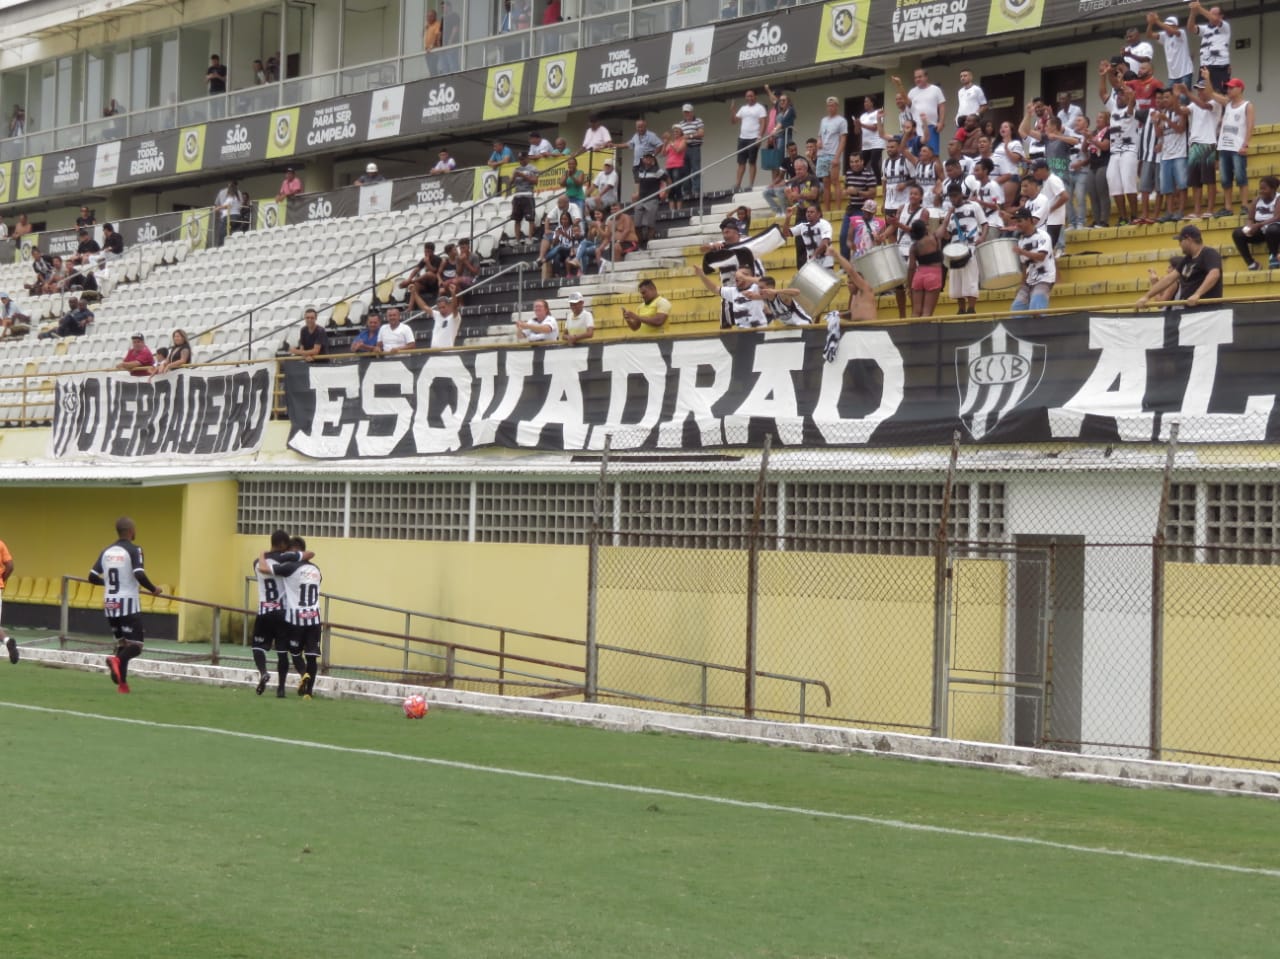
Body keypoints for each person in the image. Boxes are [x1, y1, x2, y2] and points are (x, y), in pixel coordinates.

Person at [88, 517, 162, 694]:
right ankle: (116, 661)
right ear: (131, 531)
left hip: (110, 604)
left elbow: (91, 577)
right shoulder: (135, 550)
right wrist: (154, 589)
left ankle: (123, 685)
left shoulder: (105, 551)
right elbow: (139, 573)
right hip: (127, 603)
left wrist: (107, 583)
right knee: (136, 646)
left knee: (123, 644)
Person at [257, 536, 322, 698]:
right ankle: (309, 692)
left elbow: (264, 569)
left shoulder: (289, 568)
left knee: (293, 653)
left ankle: (301, 675)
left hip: (296, 619)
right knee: (312, 656)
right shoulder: (316, 569)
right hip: (315, 619)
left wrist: (261, 554)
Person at [250, 529, 306, 696]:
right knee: (282, 652)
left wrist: (262, 554)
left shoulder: (257, 563)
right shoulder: (285, 564)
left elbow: (262, 566)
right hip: (283, 612)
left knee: (258, 647)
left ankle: (263, 672)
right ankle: (281, 689)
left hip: (264, 612)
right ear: (282, 544)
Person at [1203, 73, 1254, 217]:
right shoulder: (1227, 103)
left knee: (1240, 176)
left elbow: (1250, 125)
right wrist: (1207, 78)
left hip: (1237, 147)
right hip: (1224, 146)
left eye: (1231, 88)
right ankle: (1228, 207)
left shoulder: (1247, 105)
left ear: (1239, 89)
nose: (1228, 90)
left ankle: (1244, 205)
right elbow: (1210, 93)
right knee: (1225, 178)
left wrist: (1245, 144)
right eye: (1228, 88)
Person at [1138, 223, 1222, 307]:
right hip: (1189, 311)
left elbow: (1214, 274)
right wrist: (1147, 296)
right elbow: (1169, 279)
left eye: (1180, 241)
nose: (1179, 245)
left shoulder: (1209, 253)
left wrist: (1197, 294)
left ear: (1188, 239)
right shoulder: (1187, 259)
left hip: (1208, 311)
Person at [941, 182, 987, 315]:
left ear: (961, 194)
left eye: (955, 196)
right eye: (951, 197)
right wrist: (947, 216)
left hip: (970, 246)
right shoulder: (949, 212)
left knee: (971, 278)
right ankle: (961, 309)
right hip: (954, 249)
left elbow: (984, 224)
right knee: (956, 281)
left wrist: (982, 237)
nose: (953, 199)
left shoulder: (974, 206)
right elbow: (946, 234)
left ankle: (971, 308)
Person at [1182, 80, 1220, 219]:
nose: (1199, 92)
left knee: (1209, 179)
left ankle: (1210, 209)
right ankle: (1197, 211)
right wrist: (1174, 99)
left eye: (1202, 89)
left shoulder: (1215, 103)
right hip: (1194, 144)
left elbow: (1204, 106)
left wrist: (1187, 93)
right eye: (1198, 89)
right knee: (1195, 181)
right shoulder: (1193, 104)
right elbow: (1183, 110)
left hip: (1208, 144)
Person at [1008, 207, 1057, 314]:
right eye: (1016, 221)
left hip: (1045, 278)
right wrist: (1022, 284)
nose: (1017, 224)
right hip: (1029, 280)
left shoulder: (1043, 235)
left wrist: (1022, 252)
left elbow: (1041, 256)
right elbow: (1024, 266)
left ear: (1029, 220)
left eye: (1020, 221)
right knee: (1016, 309)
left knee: (1036, 309)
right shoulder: (1021, 241)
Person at [1231, 175, 1280, 271]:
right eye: (1260, 189)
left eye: (1264, 189)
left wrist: (1258, 225)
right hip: (1260, 230)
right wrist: (1249, 226)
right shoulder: (1257, 200)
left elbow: (1277, 218)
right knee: (1237, 233)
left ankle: (1273, 257)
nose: (1261, 191)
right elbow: (1250, 218)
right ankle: (1251, 264)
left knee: (1272, 229)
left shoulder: (1278, 198)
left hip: (1275, 230)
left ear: (1273, 189)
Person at [695, 266, 767, 329]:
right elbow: (714, 289)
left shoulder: (757, 288)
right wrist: (702, 276)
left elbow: (767, 282)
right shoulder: (733, 291)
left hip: (760, 330)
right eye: (737, 275)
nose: (738, 276)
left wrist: (746, 278)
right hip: (743, 333)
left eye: (742, 274)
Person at [894, 69, 946, 153]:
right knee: (918, 154)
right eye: (915, 78)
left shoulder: (935, 89)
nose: (917, 79)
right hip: (916, 128)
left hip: (931, 126)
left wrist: (941, 122)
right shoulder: (912, 92)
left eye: (920, 77)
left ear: (926, 77)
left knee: (932, 153)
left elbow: (942, 106)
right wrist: (899, 85)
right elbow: (907, 102)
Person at [1187, 2, 1231, 93]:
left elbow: (1215, 20)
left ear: (1221, 16)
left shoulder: (1225, 26)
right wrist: (1193, 12)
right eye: (1210, 13)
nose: (1210, 16)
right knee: (1202, 92)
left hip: (1219, 66)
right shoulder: (1205, 29)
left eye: (1214, 14)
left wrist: (1199, 8)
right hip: (1205, 66)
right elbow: (1191, 28)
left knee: (1219, 92)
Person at [730, 89, 769, 191]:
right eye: (748, 96)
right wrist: (733, 110)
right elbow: (734, 121)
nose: (749, 98)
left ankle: (750, 184)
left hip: (754, 138)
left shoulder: (760, 108)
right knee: (741, 162)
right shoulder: (743, 108)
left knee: (752, 162)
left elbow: (763, 122)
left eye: (751, 96)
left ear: (755, 96)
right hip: (742, 138)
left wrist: (759, 136)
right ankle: (737, 185)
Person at [905, 219, 943, 318]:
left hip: (918, 276)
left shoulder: (913, 247)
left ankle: (914, 333)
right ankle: (925, 333)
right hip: (933, 275)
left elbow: (911, 268)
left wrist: (909, 287)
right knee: (927, 313)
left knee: (915, 312)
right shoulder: (933, 239)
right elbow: (944, 225)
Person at [816, 96, 848, 213]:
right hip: (822, 154)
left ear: (837, 106)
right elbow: (820, 135)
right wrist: (819, 141)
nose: (830, 107)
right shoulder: (823, 120)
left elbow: (843, 139)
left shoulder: (841, 121)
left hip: (833, 153)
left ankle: (838, 208)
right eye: (829, 105)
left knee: (835, 181)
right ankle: (827, 209)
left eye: (833, 105)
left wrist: (837, 156)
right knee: (825, 183)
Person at [1147, 14, 1194, 88]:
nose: (1166, 28)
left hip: (1185, 73)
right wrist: (1150, 23)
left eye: (1169, 26)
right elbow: (1149, 35)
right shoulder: (1164, 36)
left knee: (1183, 98)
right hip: (1172, 76)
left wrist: (1157, 21)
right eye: (1166, 26)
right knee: (1172, 98)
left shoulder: (1181, 33)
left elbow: (1172, 31)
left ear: (1176, 26)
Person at [400, 241, 441, 313]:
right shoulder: (423, 259)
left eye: (428, 251)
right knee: (415, 286)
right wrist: (409, 279)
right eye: (425, 251)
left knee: (429, 274)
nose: (426, 253)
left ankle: (412, 281)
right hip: (426, 284)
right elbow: (416, 269)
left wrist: (427, 262)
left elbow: (434, 270)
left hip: (435, 282)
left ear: (432, 251)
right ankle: (410, 307)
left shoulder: (437, 259)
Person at [789, 203, 833, 270]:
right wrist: (787, 217)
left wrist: (813, 256)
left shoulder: (824, 224)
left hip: (826, 262)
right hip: (812, 263)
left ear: (819, 214)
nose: (808, 214)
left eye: (812, 212)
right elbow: (786, 233)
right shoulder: (803, 226)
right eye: (807, 212)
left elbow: (825, 242)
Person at [509, 152, 539, 242]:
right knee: (517, 219)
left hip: (528, 195)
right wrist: (514, 176)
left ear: (527, 158)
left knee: (530, 218)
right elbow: (510, 184)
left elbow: (535, 181)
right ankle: (517, 240)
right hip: (517, 196)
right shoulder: (516, 169)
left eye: (522, 159)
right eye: (519, 159)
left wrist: (523, 175)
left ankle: (529, 238)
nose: (521, 161)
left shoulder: (532, 168)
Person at [678, 104, 706, 196]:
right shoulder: (681, 124)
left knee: (695, 169)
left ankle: (696, 191)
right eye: (685, 112)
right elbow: (679, 136)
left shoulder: (698, 121)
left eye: (688, 112)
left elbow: (701, 133)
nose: (686, 114)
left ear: (692, 112)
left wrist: (689, 136)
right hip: (684, 149)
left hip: (694, 147)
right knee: (685, 171)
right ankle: (687, 192)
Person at [858, 96, 886, 182]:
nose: (865, 103)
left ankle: (879, 183)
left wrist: (861, 124)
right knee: (861, 164)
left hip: (877, 142)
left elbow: (875, 127)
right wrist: (856, 125)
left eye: (867, 101)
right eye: (864, 102)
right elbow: (857, 132)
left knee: (874, 163)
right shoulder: (862, 116)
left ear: (872, 103)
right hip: (866, 144)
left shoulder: (878, 113)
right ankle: (862, 181)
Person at [0, 535, 15, 664]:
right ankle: (7, 641)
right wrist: (2, 580)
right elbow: (10, 566)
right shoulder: (1, 544)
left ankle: (7, 641)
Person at [214, 179, 241, 246]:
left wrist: (218, 208)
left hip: (229, 216)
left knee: (222, 234)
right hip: (237, 216)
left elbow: (228, 205)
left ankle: (221, 246)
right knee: (233, 233)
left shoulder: (231, 197)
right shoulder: (238, 197)